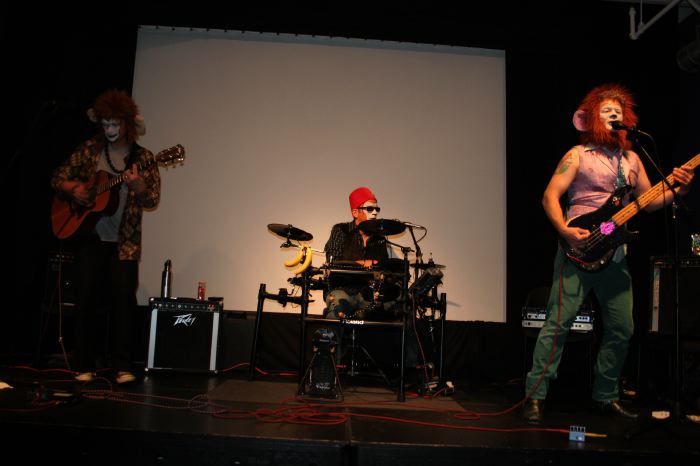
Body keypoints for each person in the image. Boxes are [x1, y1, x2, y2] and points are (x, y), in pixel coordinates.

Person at [523, 83, 694, 423]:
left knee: (621, 327)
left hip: (615, 255)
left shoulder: (633, 159)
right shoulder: (577, 155)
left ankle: (605, 396)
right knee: (558, 325)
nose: (614, 115)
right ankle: (535, 395)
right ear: (590, 119)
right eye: (606, 111)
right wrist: (564, 230)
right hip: (578, 247)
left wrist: (681, 187)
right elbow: (549, 196)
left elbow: (650, 202)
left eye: (618, 111)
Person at [50, 89, 161, 384]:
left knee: (123, 302)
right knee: (86, 300)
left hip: (125, 244)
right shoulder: (90, 150)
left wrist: (138, 187)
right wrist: (74, 189)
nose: (110, 130)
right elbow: (58, 177)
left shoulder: (144, 158)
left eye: (116, 124)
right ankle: (84, 365)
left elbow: (151, 200)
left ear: (127, 124)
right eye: (106, 124)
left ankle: (122, 366)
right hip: (90, 239)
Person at [323, 186, 397, 320]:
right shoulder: (341, 230)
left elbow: (383, 268)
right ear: (355, 212)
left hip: (369, 293)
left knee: (398, 306)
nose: (374, 213)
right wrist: (364, 263)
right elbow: (333, 261)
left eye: (377, 209)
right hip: (342, 290)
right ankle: (330, 333)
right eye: (369, 209)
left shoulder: (380, 238)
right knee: (337, 307)